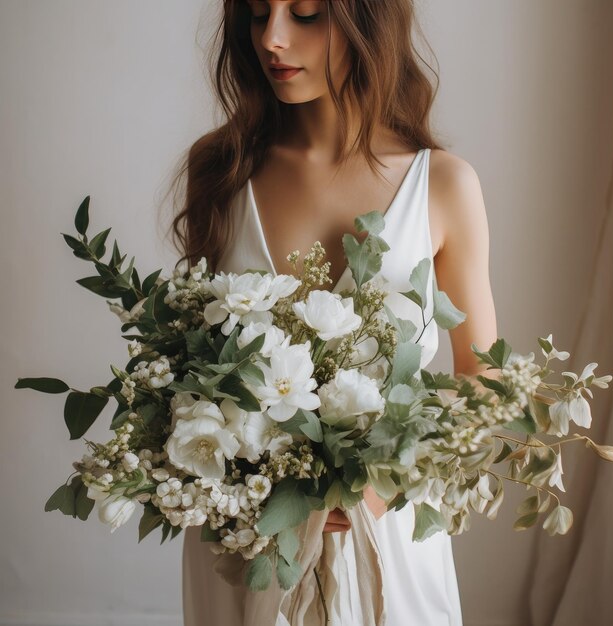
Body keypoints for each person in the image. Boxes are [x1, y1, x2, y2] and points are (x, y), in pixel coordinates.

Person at [167, 1, 498, 624]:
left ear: (366, 24)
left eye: (307, 13)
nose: (273, 39)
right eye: (259, 14)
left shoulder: (445, 186)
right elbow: (193, 361)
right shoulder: (221, 170)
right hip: (248, 536)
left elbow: (484, 380)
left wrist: (381, 483)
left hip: (384, 531)